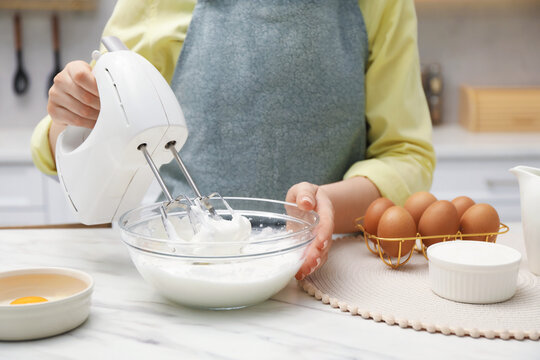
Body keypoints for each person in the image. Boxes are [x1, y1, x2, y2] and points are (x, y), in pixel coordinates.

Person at [31, 0, 435, 281]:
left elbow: (405, 153)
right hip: (184, 266)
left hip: (332, 279)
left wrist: (329, 203)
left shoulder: (382, 4)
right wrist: (73, 114)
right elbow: (80, 141)